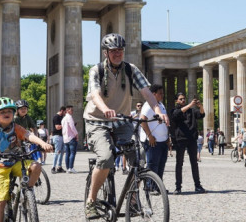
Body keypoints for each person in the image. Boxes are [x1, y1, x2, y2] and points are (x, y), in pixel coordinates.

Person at [83, 33, 169, 218]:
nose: (117, 54)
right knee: (106, 157)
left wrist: (158, 111)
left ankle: (132, 199)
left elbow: (147, 93)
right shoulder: (96, 70)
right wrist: (105, 109)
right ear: (106, 53)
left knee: (139, 156)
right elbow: (96, 95)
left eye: (120, 50)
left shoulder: (131, 70)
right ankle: (91, 200)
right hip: (97, 120)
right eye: (113, 51)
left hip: (121, 121)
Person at [0, 97, 52, 222]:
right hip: (0, 165)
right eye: (2, 112)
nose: (6, 114)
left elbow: (29, 135)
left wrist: (42, 143)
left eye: (9, 111)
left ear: (13, 113)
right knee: (1, 200)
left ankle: (28, 191)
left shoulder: (16, 127)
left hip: (17, 161)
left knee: (36, 166)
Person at [170, 92, 206, 194]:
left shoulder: (192, 111)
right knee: (179, 163)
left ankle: (197, 186)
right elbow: (176, 115)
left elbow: (201, 115)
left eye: (184, 99)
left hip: (191, 139)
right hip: (180, 139)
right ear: (176, 100)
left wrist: (200, 106)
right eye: (181, 99)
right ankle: (178, 187)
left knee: (194, 163)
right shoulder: (175, 110)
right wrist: (190, 104)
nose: (183, 100)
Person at [139, 84, 168, 183]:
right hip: (153, 141)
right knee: (152, 165)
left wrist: (167, 137)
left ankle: (158, 186)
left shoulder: (160, 105)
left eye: (163, 93)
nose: (162, 95)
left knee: (160, 165)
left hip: (162, 141)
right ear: (153, 94)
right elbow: (142, 120)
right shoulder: (148, 105)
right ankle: (150, 186)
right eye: (160, 93)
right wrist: (149, 136)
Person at [62, 105, 79, 173]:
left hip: (65, 138)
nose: (72, 111)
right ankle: (71, 167)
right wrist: (76, 134)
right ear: (67, 110)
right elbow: (72, 127)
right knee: (72, 153)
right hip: (71, 137)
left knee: (67, 153)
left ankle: (68, 168)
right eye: (71, 110)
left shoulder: (63, 119)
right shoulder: (69, 117)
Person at [50, 106, 66, 173]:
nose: (65, 113)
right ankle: (53, 167)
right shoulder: (56, 117)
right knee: (57, 152)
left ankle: (59, 167)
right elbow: (57, 127)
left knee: (62, 152)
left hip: (62, 136)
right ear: (62, 110)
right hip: (57, 136)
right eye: (65, 112)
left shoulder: (62, 117)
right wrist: (65, 125)